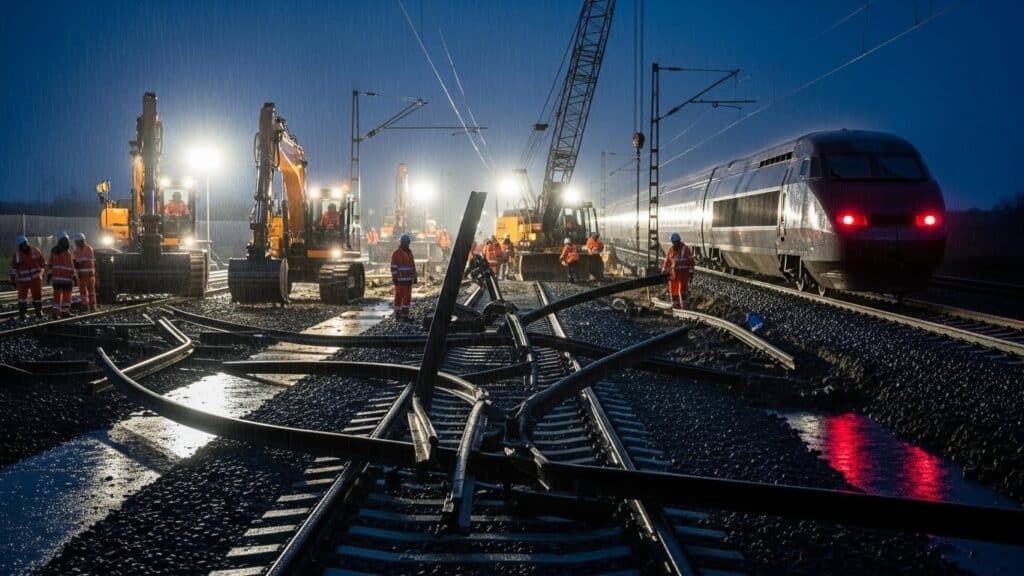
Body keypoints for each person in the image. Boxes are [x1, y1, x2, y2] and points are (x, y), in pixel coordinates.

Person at [9, 235, 44, 319]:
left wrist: (40, 273)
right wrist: (12, 280)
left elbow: (42, 263)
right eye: (21, 245)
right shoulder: (17, 255)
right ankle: (23, 313)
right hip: (22, 280)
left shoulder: (35, 251)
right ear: (19, 246)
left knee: (37, 296)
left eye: (24, 244)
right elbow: (13, 268)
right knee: (22, 298)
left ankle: (38, 311)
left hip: (35, 279)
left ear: (27, 243)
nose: (23, 246)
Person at [662, 232, 695, 309]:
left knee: (683, 290)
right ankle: (675, 305)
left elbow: (691, 263)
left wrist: (691, 275)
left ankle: (684, 306)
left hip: (683, 274)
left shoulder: (685, 249)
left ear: (678, 241)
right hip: (674, 274)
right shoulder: (671, 250)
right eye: (673, 242)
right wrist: (664, 271)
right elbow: (667, 261)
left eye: (674, 242)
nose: (673, 243)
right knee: (673, 290)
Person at [48, 232, 76, 318]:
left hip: (57, 279)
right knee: (66, 297)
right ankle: (65, 312)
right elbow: (71, 266)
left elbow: (50, 264)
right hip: (67, 280)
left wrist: (50, 275)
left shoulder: (53, 251)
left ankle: (56, 313)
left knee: (57, 297)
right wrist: (74, 277)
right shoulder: (68, 253)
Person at [390, 233, 417, 318]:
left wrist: (414, 277)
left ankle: (405, 314)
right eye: (406, 243)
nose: (407, 244)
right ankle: (398, 313)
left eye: (408, 243)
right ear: (401, 243)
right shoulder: (396, 253)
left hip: (408, 281)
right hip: (399, 280)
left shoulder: (410, 253)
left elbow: (412, 266)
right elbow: (393, 267)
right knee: (398, 297)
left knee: (407, 297)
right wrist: (395, 278)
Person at [73, 233, 97, 312]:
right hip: (81, 275)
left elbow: (88, 261)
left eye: (78, 242)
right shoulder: (76, 251)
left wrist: (78, 263)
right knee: (83, 291)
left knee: (91, 291)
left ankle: (92, 305)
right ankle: (85, 305)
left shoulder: (88, 249)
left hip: (89, 274)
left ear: (82, 241)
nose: (77, 244)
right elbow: (76, 262)